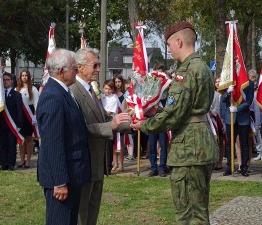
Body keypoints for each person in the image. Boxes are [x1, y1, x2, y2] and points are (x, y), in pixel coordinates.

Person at [131, 21, 218, 224]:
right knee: (199, 208)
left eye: (169, 45)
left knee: (188, 214)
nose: (169, 50)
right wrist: (158, 111)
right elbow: (187, 109)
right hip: (201, 142)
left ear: (179, 42)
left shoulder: (185, 72)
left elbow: (175, 115)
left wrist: (143, 124)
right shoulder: (203, 67)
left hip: (189, 149)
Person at [70, 47, 131, 225]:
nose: (98, 68)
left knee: (92, 211)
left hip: (97, 163)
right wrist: (110, 125)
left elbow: (104, 118)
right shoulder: (73, 91)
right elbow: (81, 127)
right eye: (95, 65)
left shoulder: (91, 90)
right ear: (80, 67)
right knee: (82, 213)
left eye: (99, 64)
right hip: (84, 163)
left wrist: (132, 122)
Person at [36, 48, 91, 225]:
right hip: (61, 180)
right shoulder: (53, 96)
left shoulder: (63, 92)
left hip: (72, 175)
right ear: (61, 71)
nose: (77, 71)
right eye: (74, 68)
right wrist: (59, 182)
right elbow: (53, 143)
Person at [222, 79, 254, 177]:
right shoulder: (228, 79)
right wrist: (227, 92)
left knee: (244, 143)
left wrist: (237, 108)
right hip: (230, 118)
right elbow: (223, 100)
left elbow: (249, 101)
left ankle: (244, 167)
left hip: (243, 117)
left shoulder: (249, 83)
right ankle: (229, 166)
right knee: (229, 144)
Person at [0, 73, 23, 171]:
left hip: (13, 125)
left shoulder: (17, 95)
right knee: (3, 145)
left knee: (11, 144)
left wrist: (19, 124)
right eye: (4, 80)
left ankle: (11, 164)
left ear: (11, 81)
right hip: (0, 124)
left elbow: (20, 111)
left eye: (7, 79)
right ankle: (4, 164)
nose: (5, 81)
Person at [16, 69, 39, 168]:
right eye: (22, 75)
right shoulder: (17, 89)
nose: (24, 77)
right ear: (20, 77)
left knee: (29, 138)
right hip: (19, 115)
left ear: (28, 77)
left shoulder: (33, 89)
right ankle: (21, 160)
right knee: (21, 139)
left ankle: (28, 160)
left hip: (29, 115)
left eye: (26, 75)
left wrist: (35, 116)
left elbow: (37, 103)